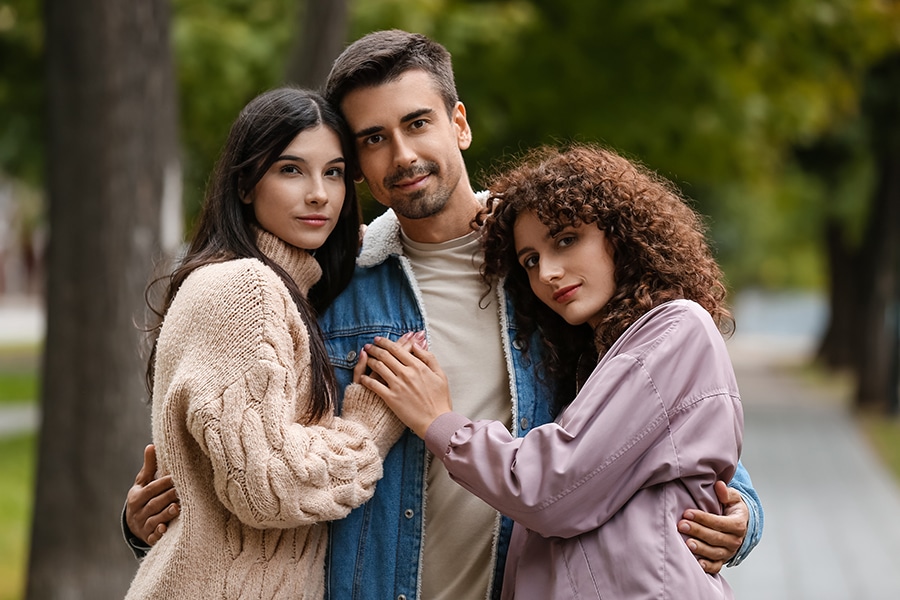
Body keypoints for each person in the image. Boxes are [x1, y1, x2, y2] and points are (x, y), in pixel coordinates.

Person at [123, 30, 764, 600]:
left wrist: (743, 517)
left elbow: (664, 431)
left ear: (458, 123)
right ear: (359, 166)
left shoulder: (548, 276)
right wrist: (143, 523)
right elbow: (249, 460)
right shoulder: (328, 289)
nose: (401, 155)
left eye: (417, 123)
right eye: (374, 139)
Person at [360, 143, 744, 598]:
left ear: (620, 234)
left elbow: (550, 488)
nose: (549, 273)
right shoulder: (594, 357)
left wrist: (438, 422)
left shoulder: (676, 328)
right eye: (531, 260)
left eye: (566, 239)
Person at [123, 87, 406, 599]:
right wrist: (368, 427)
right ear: (246, 184)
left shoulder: (287, 289)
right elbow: (268, 487)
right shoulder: (243, 289)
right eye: (291, 169)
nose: (319, 193)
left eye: (335, 172)